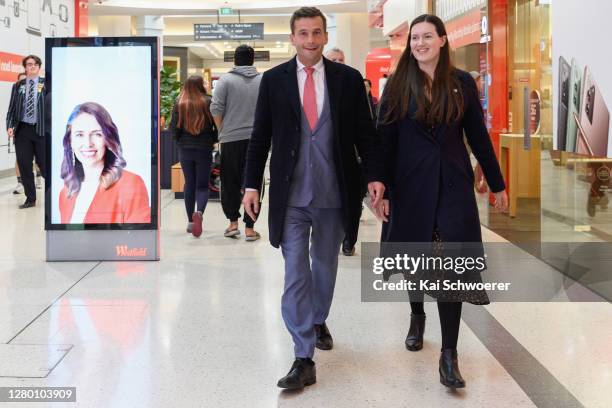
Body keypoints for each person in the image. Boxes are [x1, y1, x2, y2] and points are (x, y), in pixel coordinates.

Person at [243, 7, 385, 390]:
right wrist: (251, 185)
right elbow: (260, 138)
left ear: (324, 36)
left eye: (316, 33)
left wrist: (373, 177)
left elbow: (365, 135)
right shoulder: (274, 81)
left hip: (334, 192)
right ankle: (303, 354)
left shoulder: (347, 80)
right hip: (291, 195)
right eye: (302, 33)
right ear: (292, 37)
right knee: (295, 272)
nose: (309, 40)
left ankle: (318, 316)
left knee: (324, 265)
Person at [377, 14, 508, 389]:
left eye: (426, 37)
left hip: (452, 188)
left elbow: (478, 139)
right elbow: (383, 140)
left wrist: (497, 183)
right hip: (410, 188)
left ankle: (448, 355)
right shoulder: (399, 85)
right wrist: (379, 185)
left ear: (443, 41)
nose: (419, 43)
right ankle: (417, 314)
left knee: (451, 268)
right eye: (415, 38)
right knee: (416, 258)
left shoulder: (462, 84)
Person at [59, 102, 150, 224]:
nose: (88, 143)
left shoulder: (131, 184)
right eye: (79, 134)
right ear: (70, 142)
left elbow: (138, 239)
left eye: (97, 134)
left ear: (108, 139)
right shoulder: (66, 192)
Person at [210, 45, 262, 241]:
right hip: (257, 140)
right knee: (253, 182)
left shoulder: (225, 80)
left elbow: (215, 108)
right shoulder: (262, 80)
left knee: (230, 181)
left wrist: (222, 129)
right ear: (253, 59)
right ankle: (250, 228)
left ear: (234, 60)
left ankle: (233, 224)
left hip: (231, 139)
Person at [170, 75, 218, 237]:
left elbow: (173, 128)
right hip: (204, 148)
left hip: (185, 148)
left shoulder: (179, 102)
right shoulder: (208, 101)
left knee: (189, 184)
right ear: (200, 86)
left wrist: (180, 141)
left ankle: (190, 220)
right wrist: (213, 140)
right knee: (202, 185)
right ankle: (199, 213)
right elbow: (216, 126)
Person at [5, 55, 46, 209]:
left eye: (35, 64)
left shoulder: (47, 85)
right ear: (25, 67)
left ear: (39, 67)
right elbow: (11, 109)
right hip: (22, 130)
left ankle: (53, 194)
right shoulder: (18, 86)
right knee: (24, 164)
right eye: (29, 64)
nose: (32, 67)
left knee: (43, 164)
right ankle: (30, 198)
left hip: (41, 130)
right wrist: (10, 125)